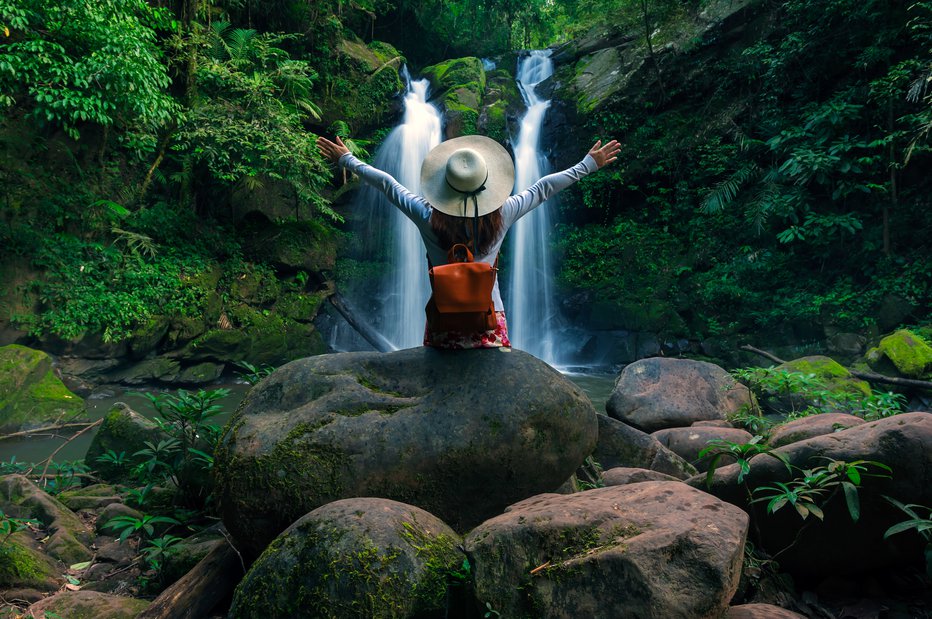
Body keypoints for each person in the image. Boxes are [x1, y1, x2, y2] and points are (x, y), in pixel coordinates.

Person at [316, 133, 620, 349]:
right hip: (489, 320)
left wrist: (348, 160)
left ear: (443, 186)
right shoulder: (505, 213)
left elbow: (387, 185)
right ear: (487, 184)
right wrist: (587, 165)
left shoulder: (425, 214)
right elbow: (542, 189)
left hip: (444, 322)